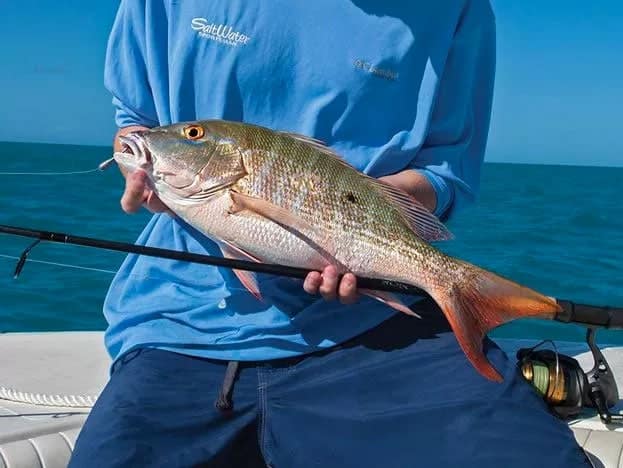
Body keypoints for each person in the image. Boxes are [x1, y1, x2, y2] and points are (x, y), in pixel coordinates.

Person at [70, 1, 591, 467]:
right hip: (179, 323)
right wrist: (139, 167)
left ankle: (458, 294)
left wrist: (362, 225)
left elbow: (445, 171)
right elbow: (136, 124)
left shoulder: (458, 10)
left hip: (369, 328)